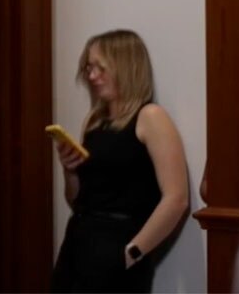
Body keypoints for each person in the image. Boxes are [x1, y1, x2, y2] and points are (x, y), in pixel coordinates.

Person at [49, 29, 189, 293]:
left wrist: (133, 252)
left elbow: (176, 198)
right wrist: (69, 171)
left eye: (100, 68)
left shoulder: (150, 117)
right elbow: (77, 199)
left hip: (119, 243)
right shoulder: (93, 121)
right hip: (78, 241)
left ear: (126, 67)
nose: (92, 76)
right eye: (89, 68)